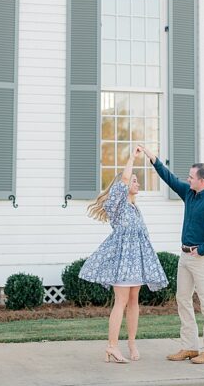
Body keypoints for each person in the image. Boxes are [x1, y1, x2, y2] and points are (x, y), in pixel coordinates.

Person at [138, 145, 204, 365]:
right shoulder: (189, 193)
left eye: (191, 177)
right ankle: (190, 347)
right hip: (185, 256)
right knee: (183, 299)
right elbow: (169, 178)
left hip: (202, 258)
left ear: (202, 181)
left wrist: (202, 249)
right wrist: (152, 157)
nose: (188, 180)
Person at [80, 145, 168, 364]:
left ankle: (131, 342)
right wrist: (132, 158)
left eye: (137, 180)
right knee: (120, 301)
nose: (136, 183)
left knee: (134, 301)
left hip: (136, 263)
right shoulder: (117, 205)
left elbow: (143, 240)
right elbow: (124, 178)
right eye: (134, 180)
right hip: (122, 263)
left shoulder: (135, 209)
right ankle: (111, 346)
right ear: (124, 185)